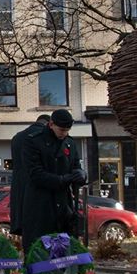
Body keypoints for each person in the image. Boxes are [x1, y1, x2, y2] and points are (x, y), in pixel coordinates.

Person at [21, 108, 87, 255]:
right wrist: (62, 180)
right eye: (61, 129)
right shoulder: (33, 141)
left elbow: (76, 165)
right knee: (39, 249)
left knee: (64, 248)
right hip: (40, 204)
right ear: (51, 124)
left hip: (63, 203)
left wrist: (81, 175)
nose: (64, 133)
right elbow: (35, 174)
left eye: (67, 130)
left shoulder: (69, 143)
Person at [9, 114, 50, 235]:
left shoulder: (17, 138)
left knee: (28, 237)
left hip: (20, 192)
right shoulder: (45, 136)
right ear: (49, 124)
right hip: (41, 192)